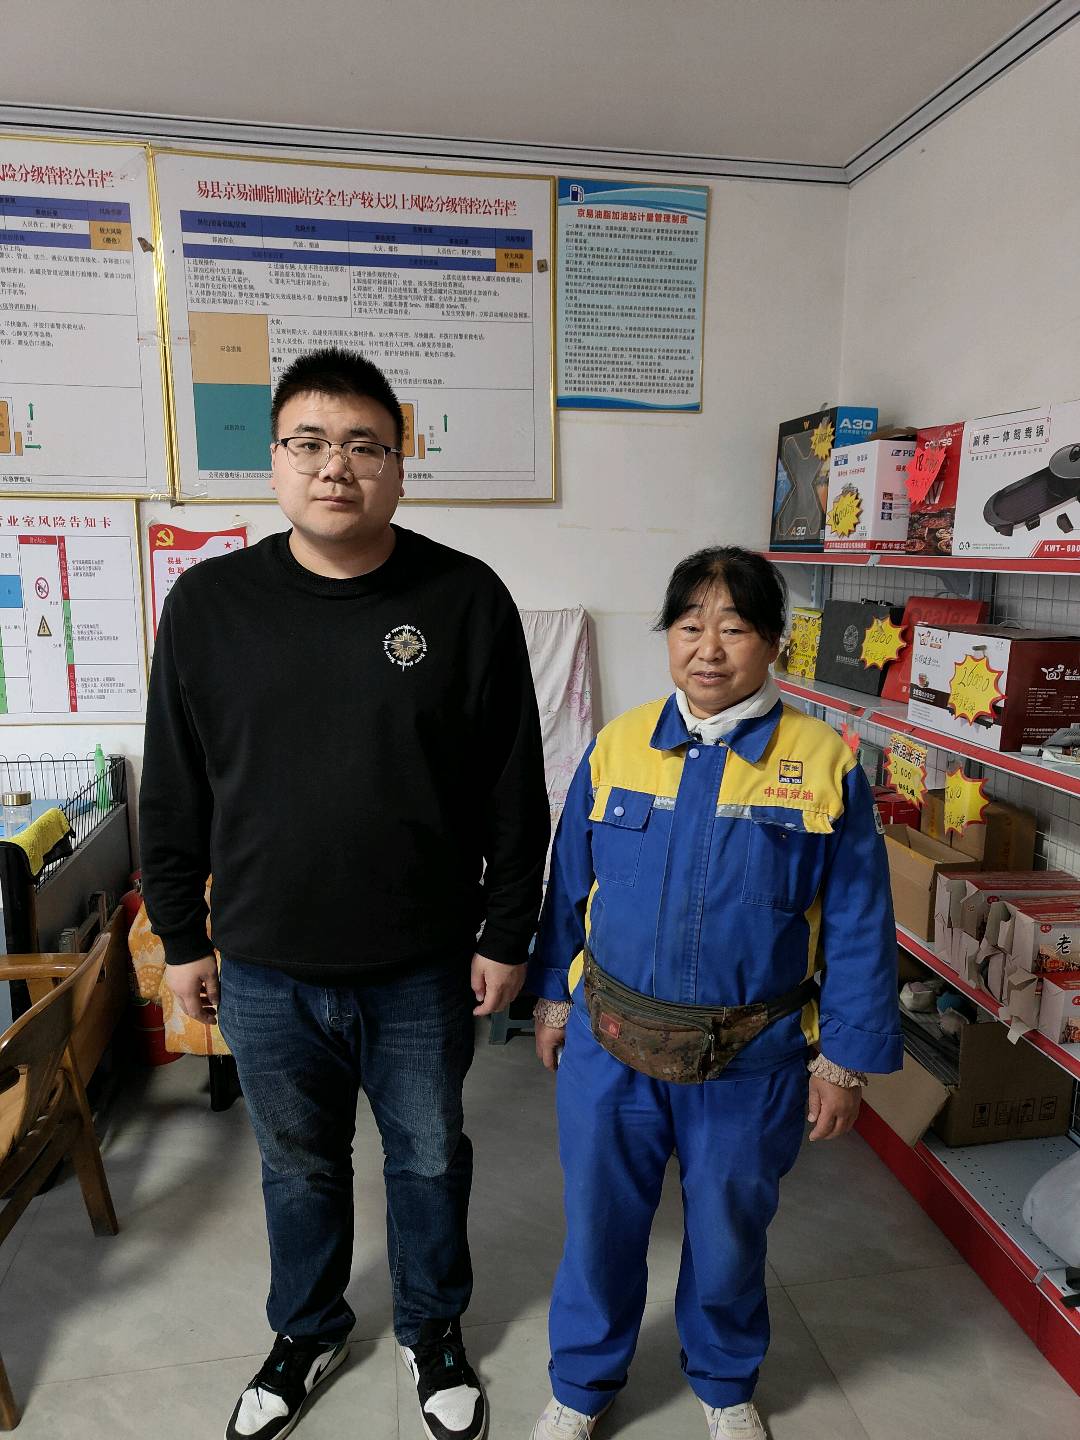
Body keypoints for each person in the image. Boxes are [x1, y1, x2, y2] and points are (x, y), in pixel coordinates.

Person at [139, 347, 550, 1440]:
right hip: (264, 965)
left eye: (365, 445)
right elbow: (172, 791)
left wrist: (508, 932)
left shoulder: (464, 599)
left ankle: (433, 1327)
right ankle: (309, 1328)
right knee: (297, 1165)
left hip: (422, 964)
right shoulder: (209, 605)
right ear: (274, 461)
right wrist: (181, 938)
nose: (337, 467)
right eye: (311, 443)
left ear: (400, 467)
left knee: (429, 1158)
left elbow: (515, 789)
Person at [527, 546, 902, 1440]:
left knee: (732, 1233)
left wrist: (844, 1061)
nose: (708, 648)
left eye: (734, 627)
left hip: (751, 1058)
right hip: (611, 1045)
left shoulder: (824, 762)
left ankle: (725, 1383)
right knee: (600, 1226)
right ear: (668, 636)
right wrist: (551, 999)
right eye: (690, 625)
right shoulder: (619, 745)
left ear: (773, 642)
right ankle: (581, 1385)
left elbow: (859, 924)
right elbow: (569, 885)